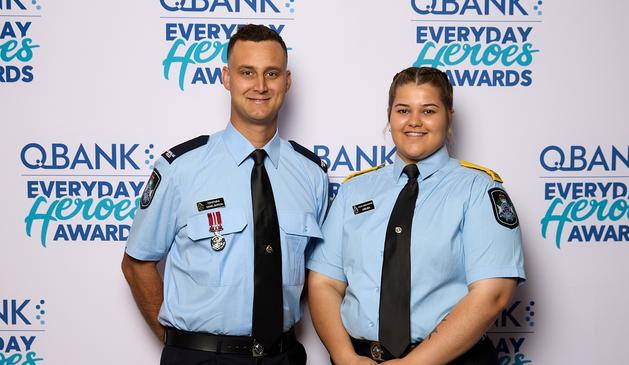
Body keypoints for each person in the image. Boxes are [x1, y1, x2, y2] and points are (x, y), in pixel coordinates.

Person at [121, 24, 329, 365]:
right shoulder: (181, 168)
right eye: (247, 72)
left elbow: (318, 275)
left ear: (287, 82)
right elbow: (137, 264)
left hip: (283, 357)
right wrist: (181, 342)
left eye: (271, 73)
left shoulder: (312, 175)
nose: (260, 86)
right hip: (200, 357)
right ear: (226, 78)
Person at [306, 67, 525, 365]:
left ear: (449, 115)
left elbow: (493, 294)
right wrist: (344, 356)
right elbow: (324, 283)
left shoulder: (478, 189)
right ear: (389, 114)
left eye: (429, 110)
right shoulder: (354, 191)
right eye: (403, 110)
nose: (414, 122)